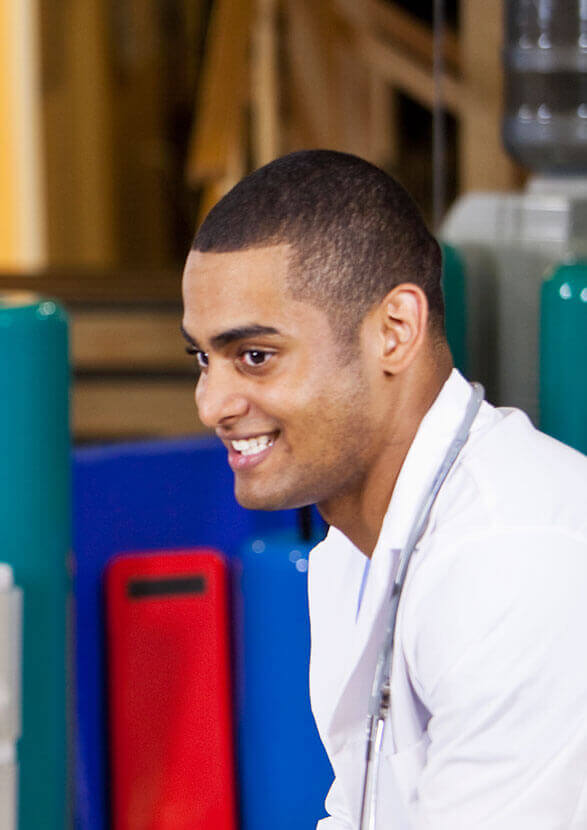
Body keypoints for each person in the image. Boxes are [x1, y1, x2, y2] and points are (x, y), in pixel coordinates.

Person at [181, 149, 587, 827]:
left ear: (393, 332)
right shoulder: (354, 545)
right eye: (202, 358)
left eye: (254, 356)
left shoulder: (517, 559)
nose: (210, 403)